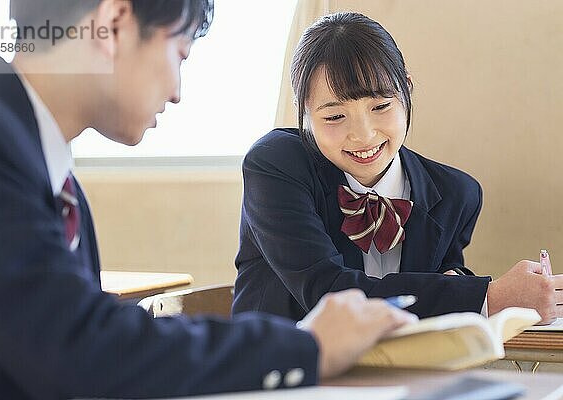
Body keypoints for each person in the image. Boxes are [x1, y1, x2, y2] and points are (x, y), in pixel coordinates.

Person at [0, 2, 418, 399]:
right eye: (180, 53)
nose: (178, 91)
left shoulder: (53, 180)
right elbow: (75, 343)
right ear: (115, 23)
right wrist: (308, 347)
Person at [232, 12, 563, 324]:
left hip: (402, 378)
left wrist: (462, 284)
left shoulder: (456, 194)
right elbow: (327, 292)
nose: (363, 135)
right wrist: (491, 297)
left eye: (380, 106)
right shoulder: (275, 166)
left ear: (407, 88)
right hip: (280, 374)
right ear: (303, 110)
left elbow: (443, 285)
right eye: (334, 116)